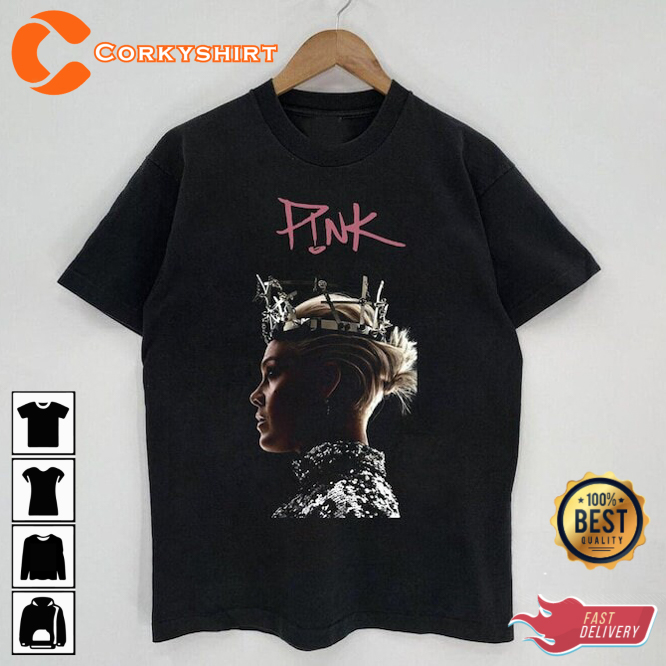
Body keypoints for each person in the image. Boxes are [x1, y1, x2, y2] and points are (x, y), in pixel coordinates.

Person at [249, 276, 417, 518]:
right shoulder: (336, 494)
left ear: (325, 381)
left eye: (273, 373)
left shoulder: (351, 502)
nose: (256, 395)